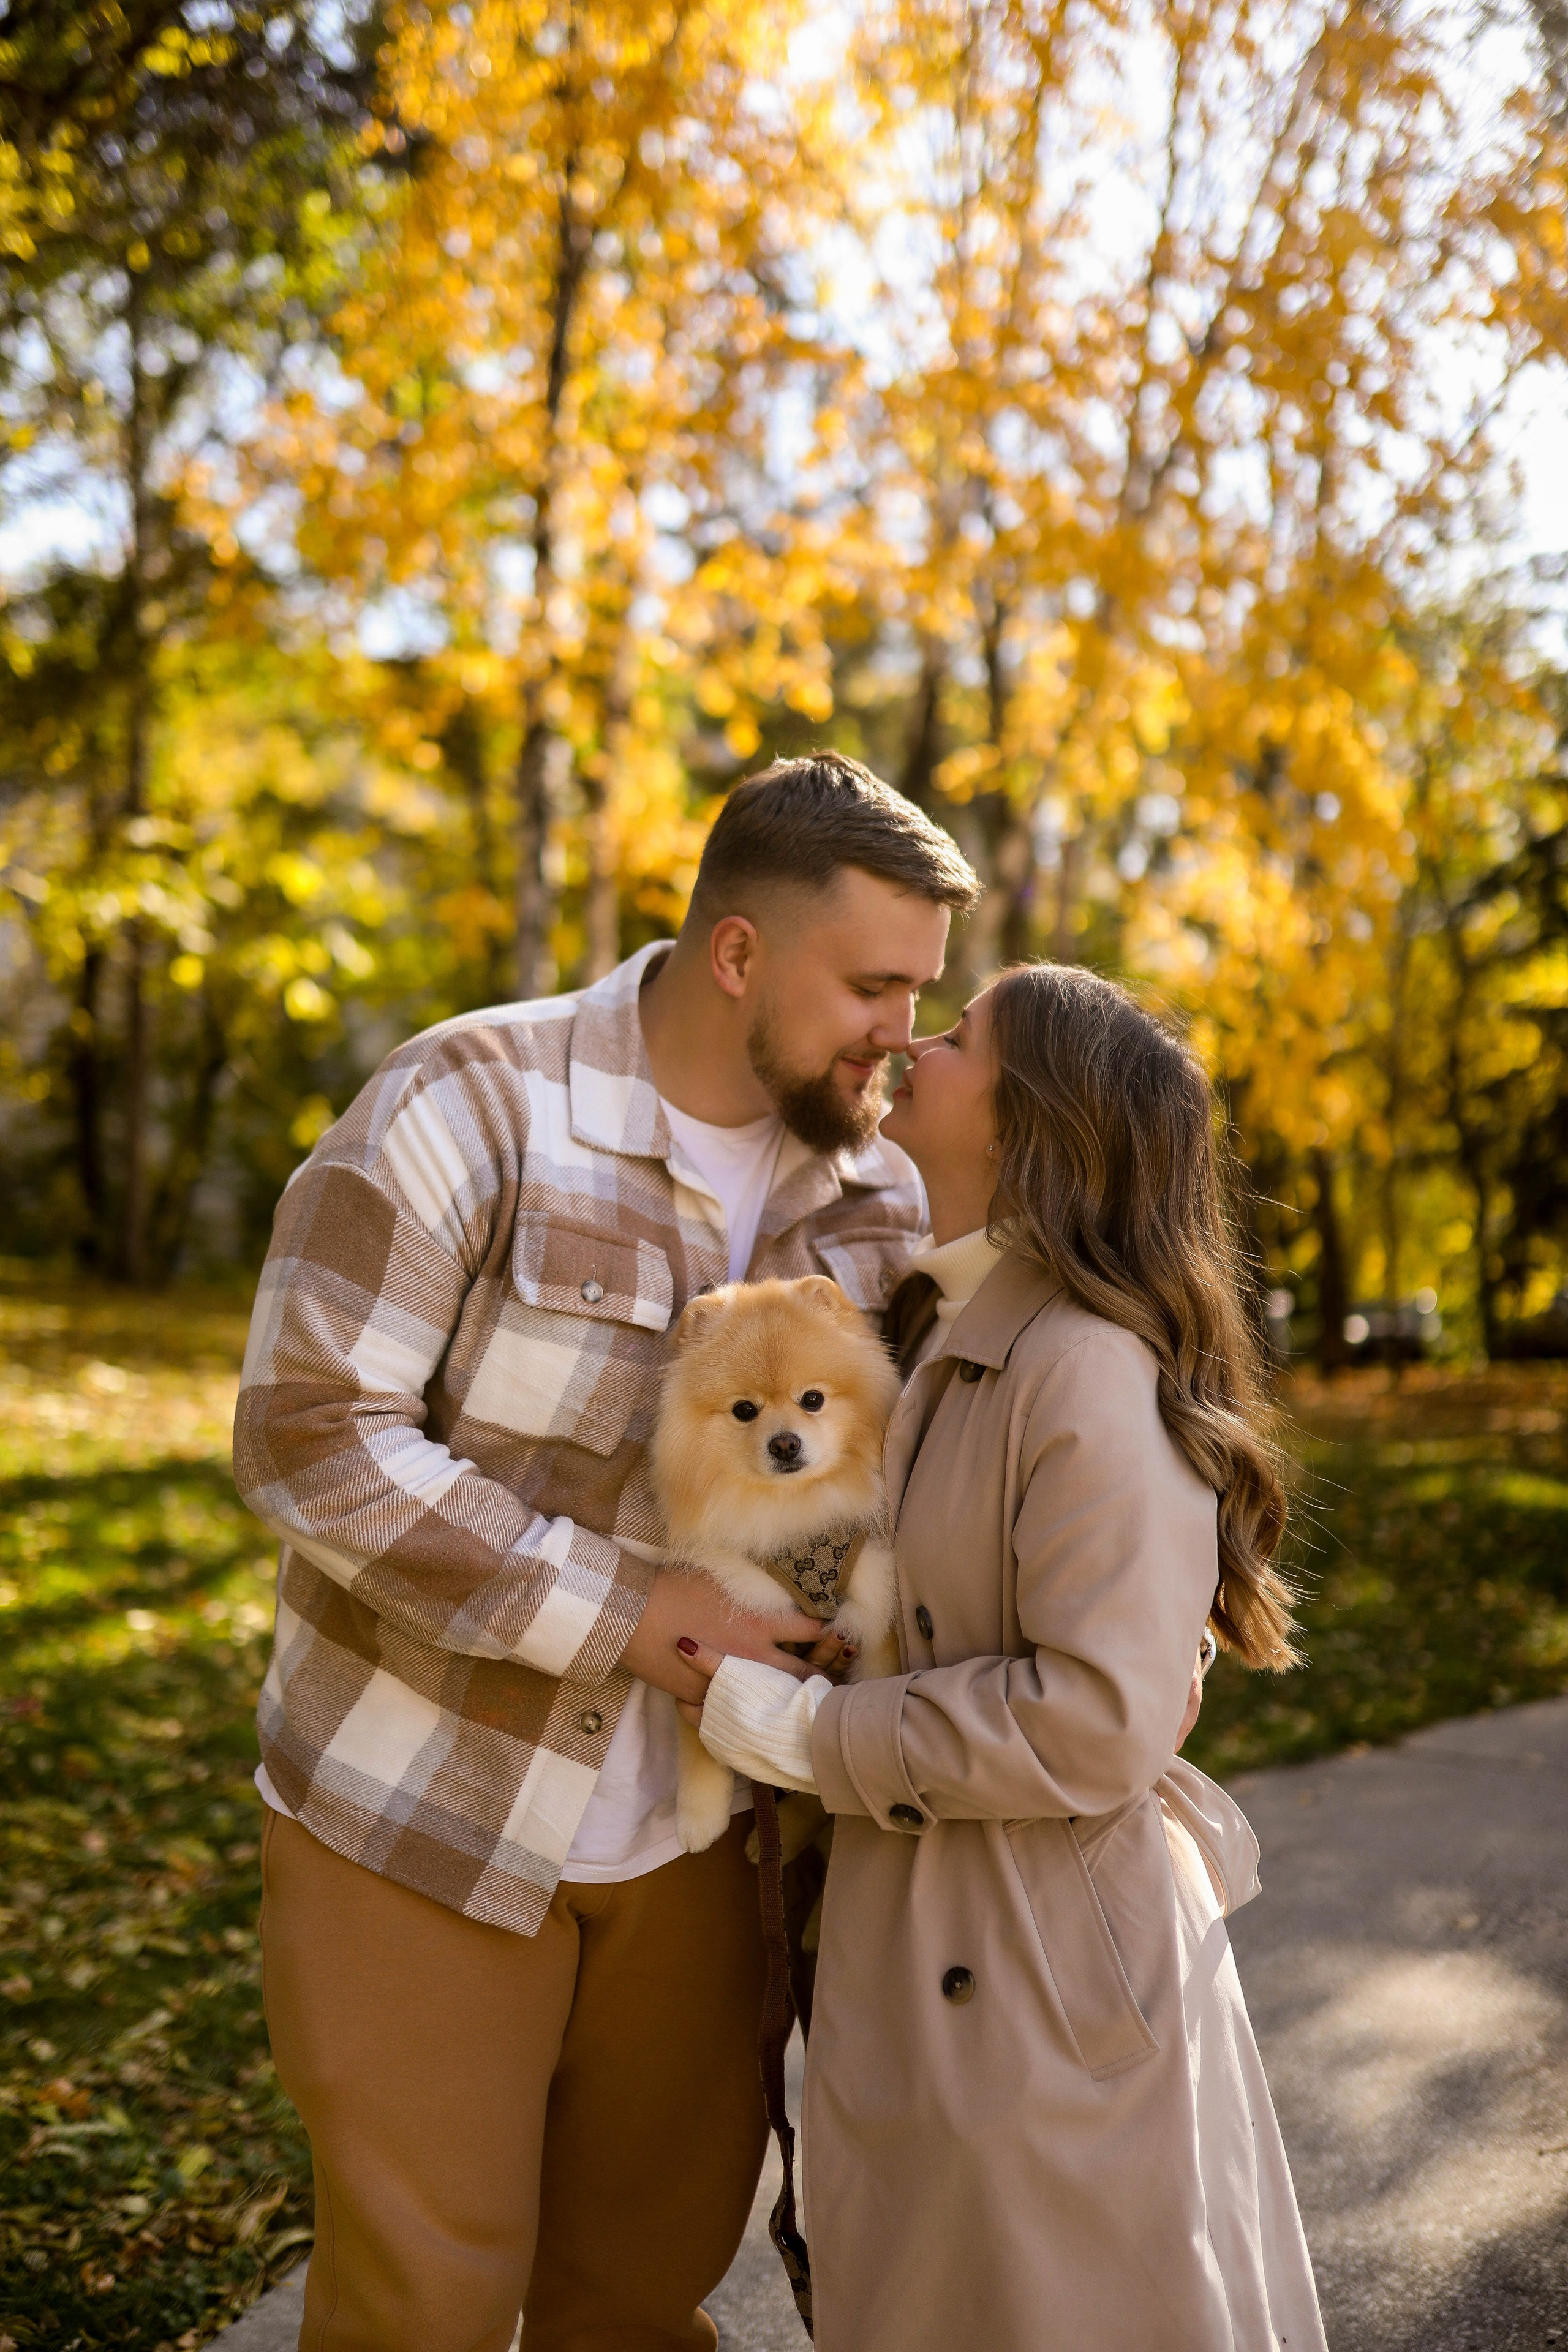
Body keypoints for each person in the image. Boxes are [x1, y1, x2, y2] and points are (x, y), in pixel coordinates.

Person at [232, 752, 981, 2352]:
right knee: (420, 2312)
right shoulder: (467, 1102)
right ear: (739, 953)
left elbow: (967, 1460)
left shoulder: (882, 1195)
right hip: (423, 1811)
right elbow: (308, 1437)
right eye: (872, 987)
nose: (902, 1033)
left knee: (638, 2305)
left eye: (922, 994)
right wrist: (642, 1615)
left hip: (718, 1851)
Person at [687, 962, 1329, 2352]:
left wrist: (810, 1739)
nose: (919, 1041)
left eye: (961, 1033)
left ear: (1029, 1116)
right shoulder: (946, 1324)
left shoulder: (1082, 1359)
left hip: (1035, 1975)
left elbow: (1099, 1715)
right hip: (944, 1927)